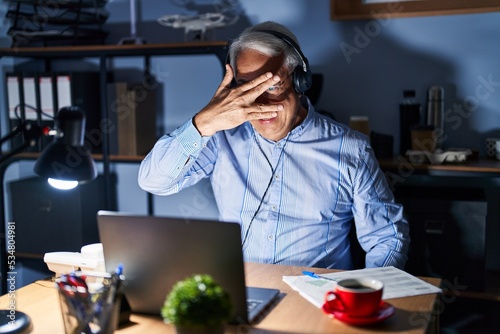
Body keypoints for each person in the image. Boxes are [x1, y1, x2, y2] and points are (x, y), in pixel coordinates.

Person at [138, 21, 409, 270]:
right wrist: (204, 123)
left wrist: (365, 299)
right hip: (243, 298)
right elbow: (154, 182)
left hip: (317, 305)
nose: (260, 105)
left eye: (273, 86)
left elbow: (386, 238)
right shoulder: (221, 138)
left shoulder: (351, 149)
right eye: (247, 89)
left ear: (301, 80)